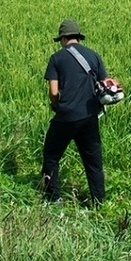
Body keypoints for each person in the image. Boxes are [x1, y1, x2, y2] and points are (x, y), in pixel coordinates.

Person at [41, 18, 107, 204]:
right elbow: (105, 82)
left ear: (63, 39)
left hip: (66, 117)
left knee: (51, 156)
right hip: (89, 116)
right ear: (78, 37)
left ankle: (54, 199)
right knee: (93, 162)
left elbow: (53, 92)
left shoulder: (56, 58)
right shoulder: (94, 56)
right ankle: (99, 202)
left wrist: (56, 105)